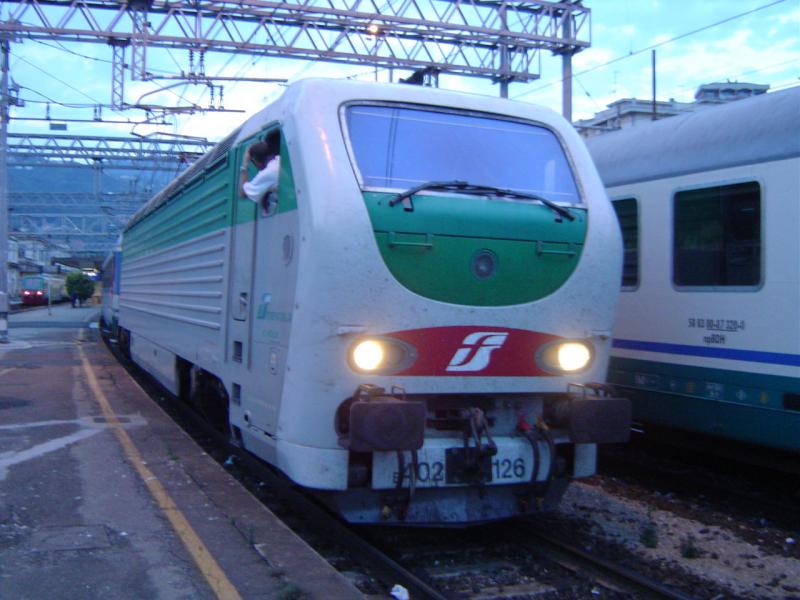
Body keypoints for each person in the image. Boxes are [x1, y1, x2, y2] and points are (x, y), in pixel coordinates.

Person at [239, 133, 281, 214]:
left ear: (255, 160)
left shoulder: (267, 173)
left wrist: (245, 164)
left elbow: (242, 193)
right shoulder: (278, 161)